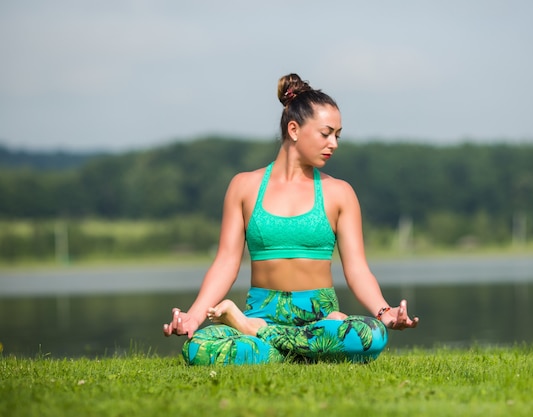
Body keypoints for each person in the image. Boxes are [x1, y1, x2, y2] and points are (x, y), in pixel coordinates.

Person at [163, 73, 419, 365]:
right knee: (197, 348)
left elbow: (358, 268)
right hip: (264, 313)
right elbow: (226, 262)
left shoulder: (340, 193)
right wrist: (194, 317)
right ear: (294, 129)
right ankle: (300, 346)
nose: (333, 143)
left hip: (320, 318)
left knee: (372, 334)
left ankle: (260, 336)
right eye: (326, 133)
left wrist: (384, 313)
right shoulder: (244, 187)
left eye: (338, 135)